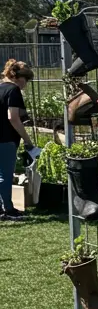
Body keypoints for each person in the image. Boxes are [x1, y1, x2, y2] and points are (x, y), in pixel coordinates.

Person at [0, 59, 39, 219]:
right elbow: (13, 117)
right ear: (18, 77)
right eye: (26, 80)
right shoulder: (13, 90)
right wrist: (27, 140)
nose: (26, 84)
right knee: (5, 174)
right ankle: (8, 209)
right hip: (6, 138)